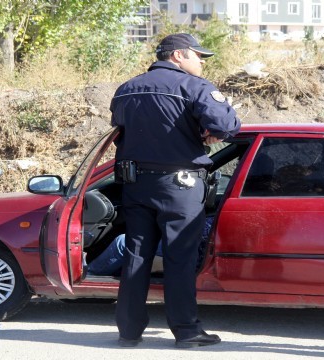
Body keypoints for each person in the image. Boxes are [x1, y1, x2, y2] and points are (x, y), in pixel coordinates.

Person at [109, 33, 241, 348]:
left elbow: (121, 134)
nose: (201, 62)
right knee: (179, 258)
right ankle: (186, 331)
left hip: (136, 184)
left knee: (136, 255)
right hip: (179, 187)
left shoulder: (126, 89)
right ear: (178, 55)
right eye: (198, 56)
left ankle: (128, 330)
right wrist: (205, 132)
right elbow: (228, 127)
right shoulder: (195, 87)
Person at [87, 216, 215, 276]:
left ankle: (90, 274)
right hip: (192, 246)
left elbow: (201, 231)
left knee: (123, 242)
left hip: (189, 251)